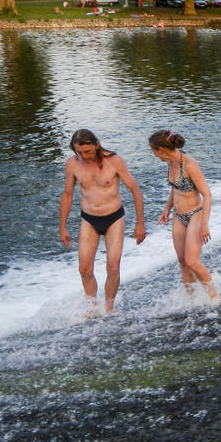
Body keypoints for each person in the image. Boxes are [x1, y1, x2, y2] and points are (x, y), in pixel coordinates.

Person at [59, 129, 146, 313]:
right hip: (89, 219)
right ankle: (92, 307)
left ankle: (108, 308)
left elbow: (135, 190)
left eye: (87, 151)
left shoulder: (114, 161)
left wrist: (140, 224)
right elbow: (67, 195)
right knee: (84, 269)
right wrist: (63, 227)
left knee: (113, 267)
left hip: (114, 217)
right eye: (79, 152)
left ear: (96, 145)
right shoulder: (73, 165)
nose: (84, 156)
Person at [148, 130, 218, 299]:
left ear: (161, 150)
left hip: (195, 214)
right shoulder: (171, 162)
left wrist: (204, 225)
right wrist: (166, 209)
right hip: (178, 216)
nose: (154, 155)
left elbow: (207, 194)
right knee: (182, 261)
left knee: (192, 261)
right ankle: (191, 298)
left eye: (153, 151)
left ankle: (214, 297)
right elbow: (176, 188)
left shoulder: (189, 164)